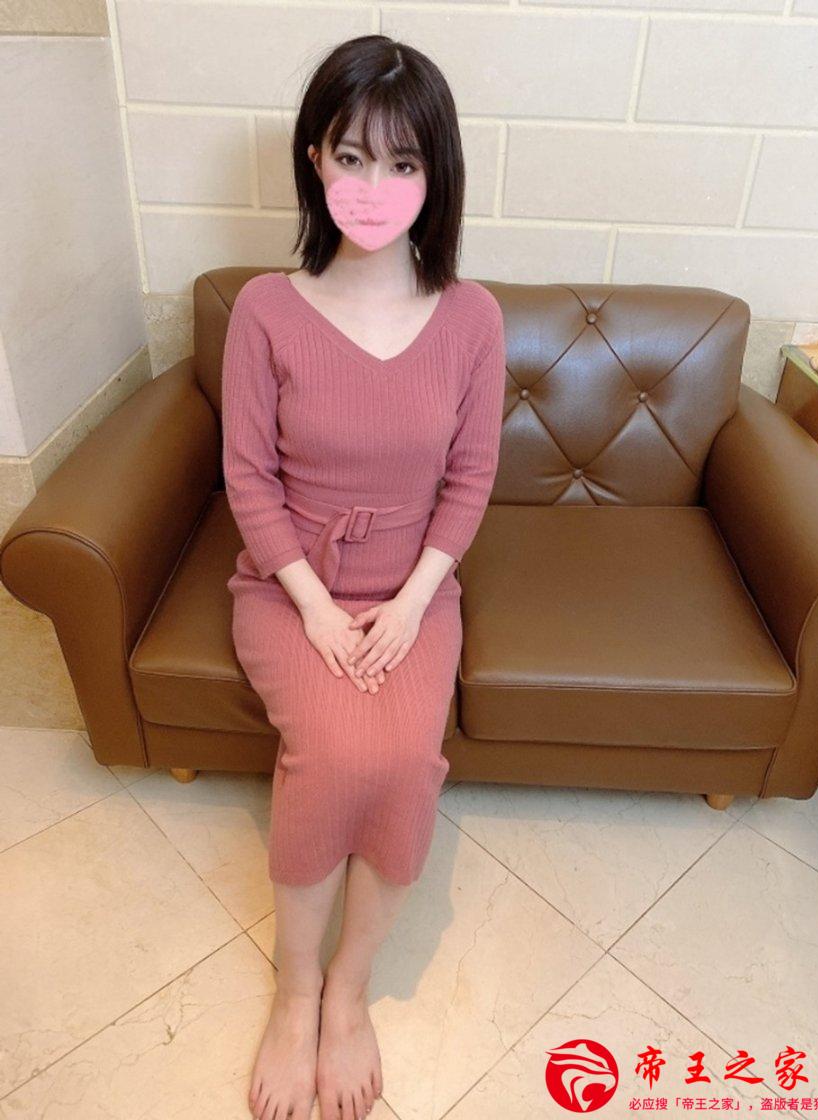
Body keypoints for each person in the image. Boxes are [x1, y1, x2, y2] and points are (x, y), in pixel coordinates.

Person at [221, 34, 507, 1120]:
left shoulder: (472, 318)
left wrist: (412, 602)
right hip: (289, 585)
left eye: (402, 162)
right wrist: (314, 608)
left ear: (436, 175)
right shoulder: (266, 309)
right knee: (337, 753)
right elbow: (248, 478)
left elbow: (471, 478)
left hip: (415, 592)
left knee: (400, 759)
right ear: (315, 161)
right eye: (351, 157)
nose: (374, 185)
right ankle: (295, 990)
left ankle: (349, 987)